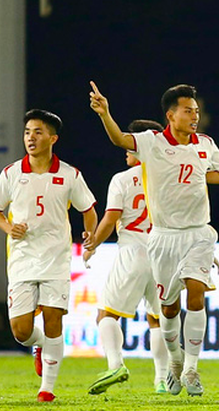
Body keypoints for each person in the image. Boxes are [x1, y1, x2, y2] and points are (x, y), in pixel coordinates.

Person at [89, 82, 219, 397]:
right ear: (171, 114)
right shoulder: (151, 142)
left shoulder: (204, 143)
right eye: (187, 110)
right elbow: (119, 139)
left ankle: (192, 368)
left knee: (196, 294)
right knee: (167, 310)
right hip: (163, 237)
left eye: (196, 111)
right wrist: (105, 113)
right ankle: (176, 362)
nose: (194, 116)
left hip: (199, 233)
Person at [0, 109, 98, 402]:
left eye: (37, 132)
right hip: (22, 258)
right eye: (27, 132)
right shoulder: (11, 173)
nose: (31, 137)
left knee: (53, 319)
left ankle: (46, 389)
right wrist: (10, 228)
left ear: (53, 138)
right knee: (21, 331)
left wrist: (89, 235)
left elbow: (88, 210)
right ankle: (38, 346)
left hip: (56, 258)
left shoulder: (69, 174)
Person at [83, 119, 169, 395]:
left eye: (131, 144)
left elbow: (111, 219)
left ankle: (116, 364)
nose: (126, 150)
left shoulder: (122, 179)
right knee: (158, 319)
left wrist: (93, 242)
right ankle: (162, 380)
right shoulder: (167, 175)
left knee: (106, 313)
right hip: (165, 252)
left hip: (133, 251)